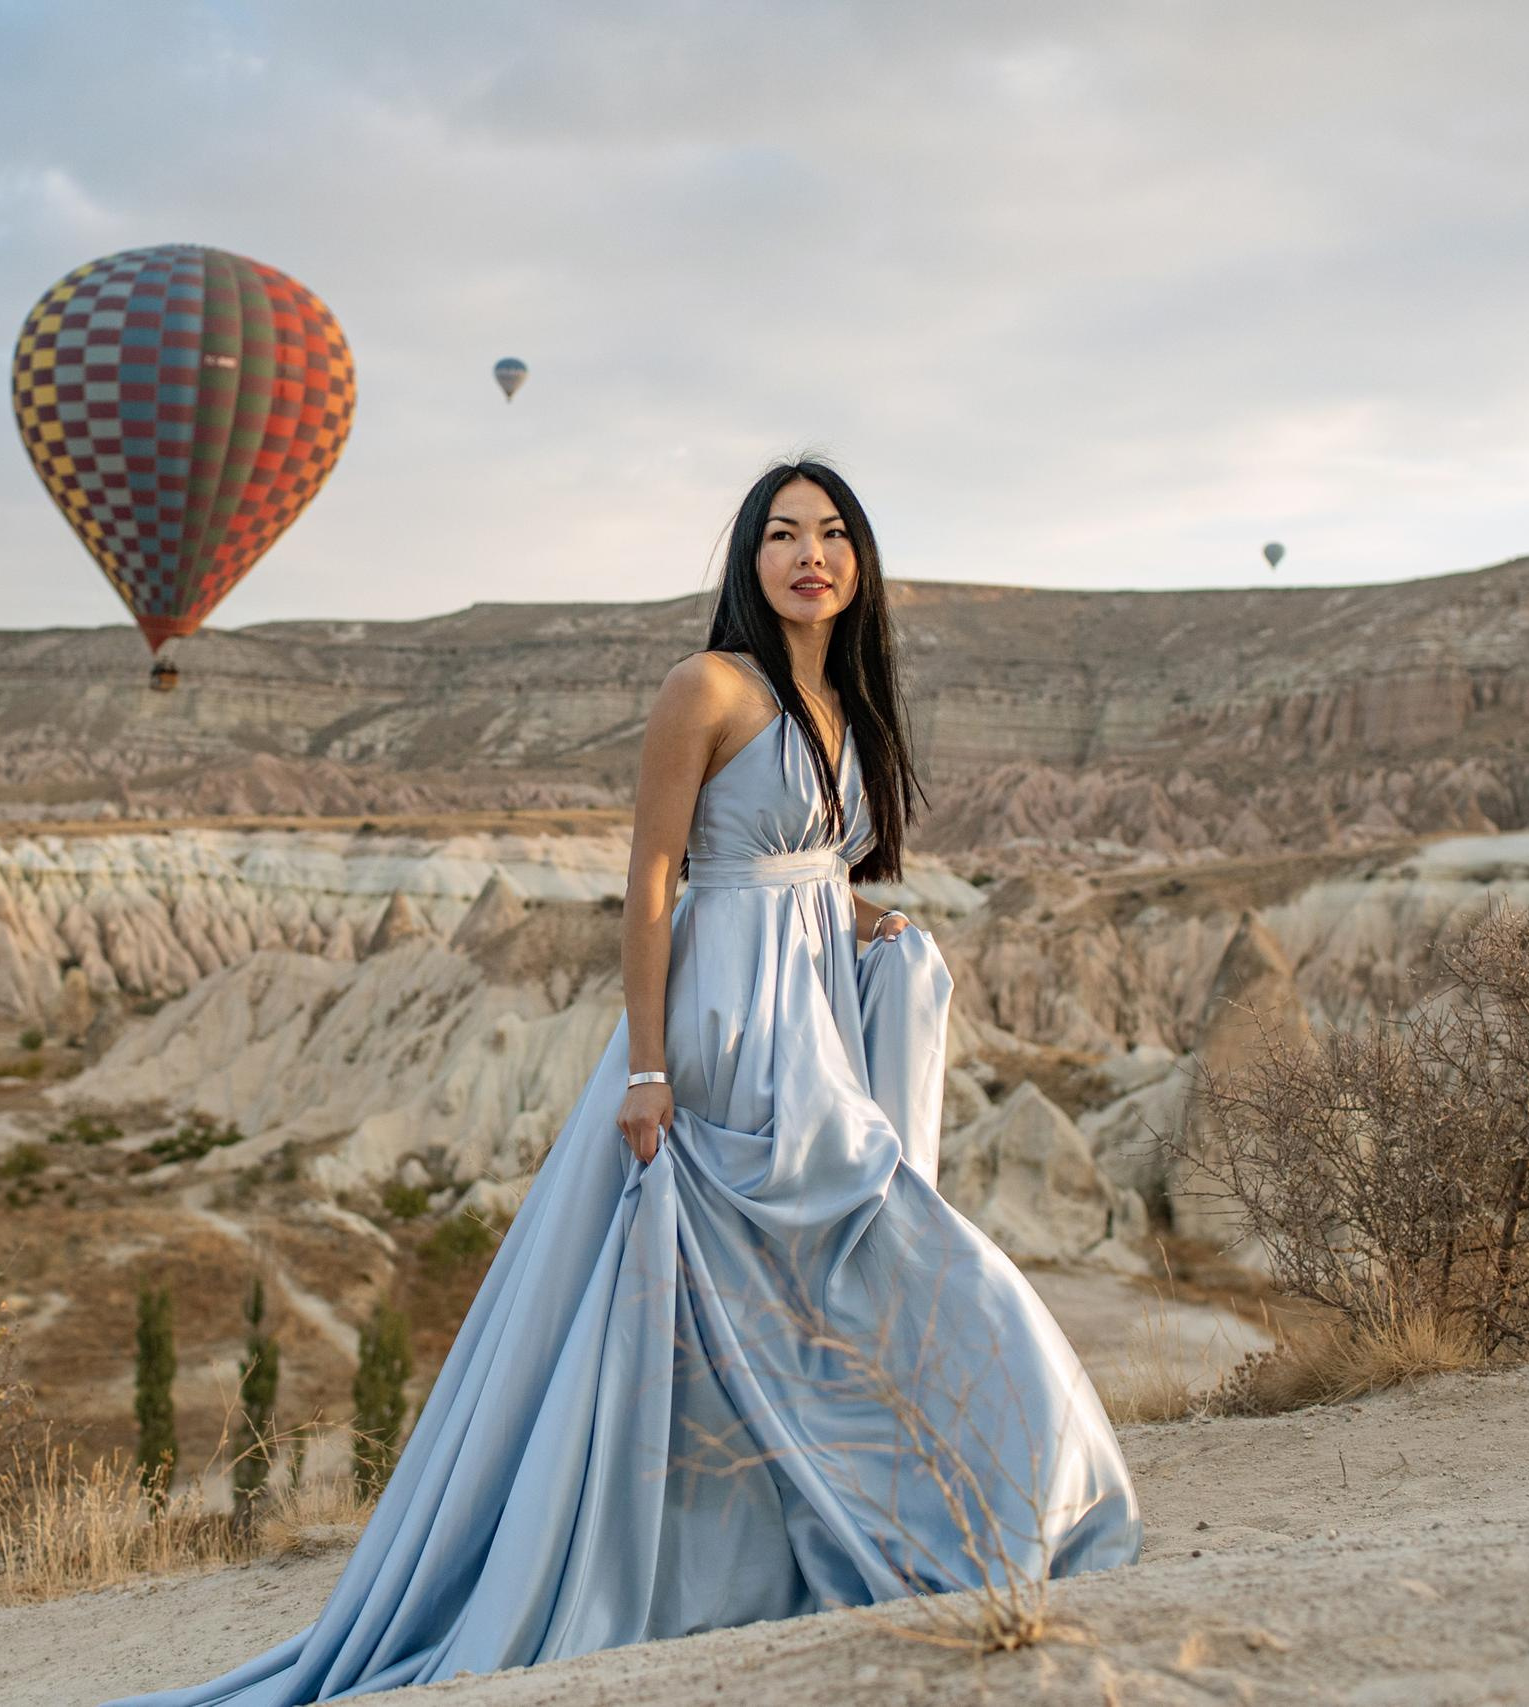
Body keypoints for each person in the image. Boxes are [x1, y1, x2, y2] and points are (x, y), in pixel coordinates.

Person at [104, 459, 1140, 1705]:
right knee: (748, 1287)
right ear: (746, 560)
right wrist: (646, 1069)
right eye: (780, 534)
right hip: (721, 1033)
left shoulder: (846, 698)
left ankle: (850, 1538)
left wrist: (865, 924)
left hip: (813, 1019)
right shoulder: (705, 686)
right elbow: (656, 885)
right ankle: (727, 1561)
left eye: (831, 534)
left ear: (858, 561)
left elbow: (812, 867)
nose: (808, 554)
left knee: (835, 1282)